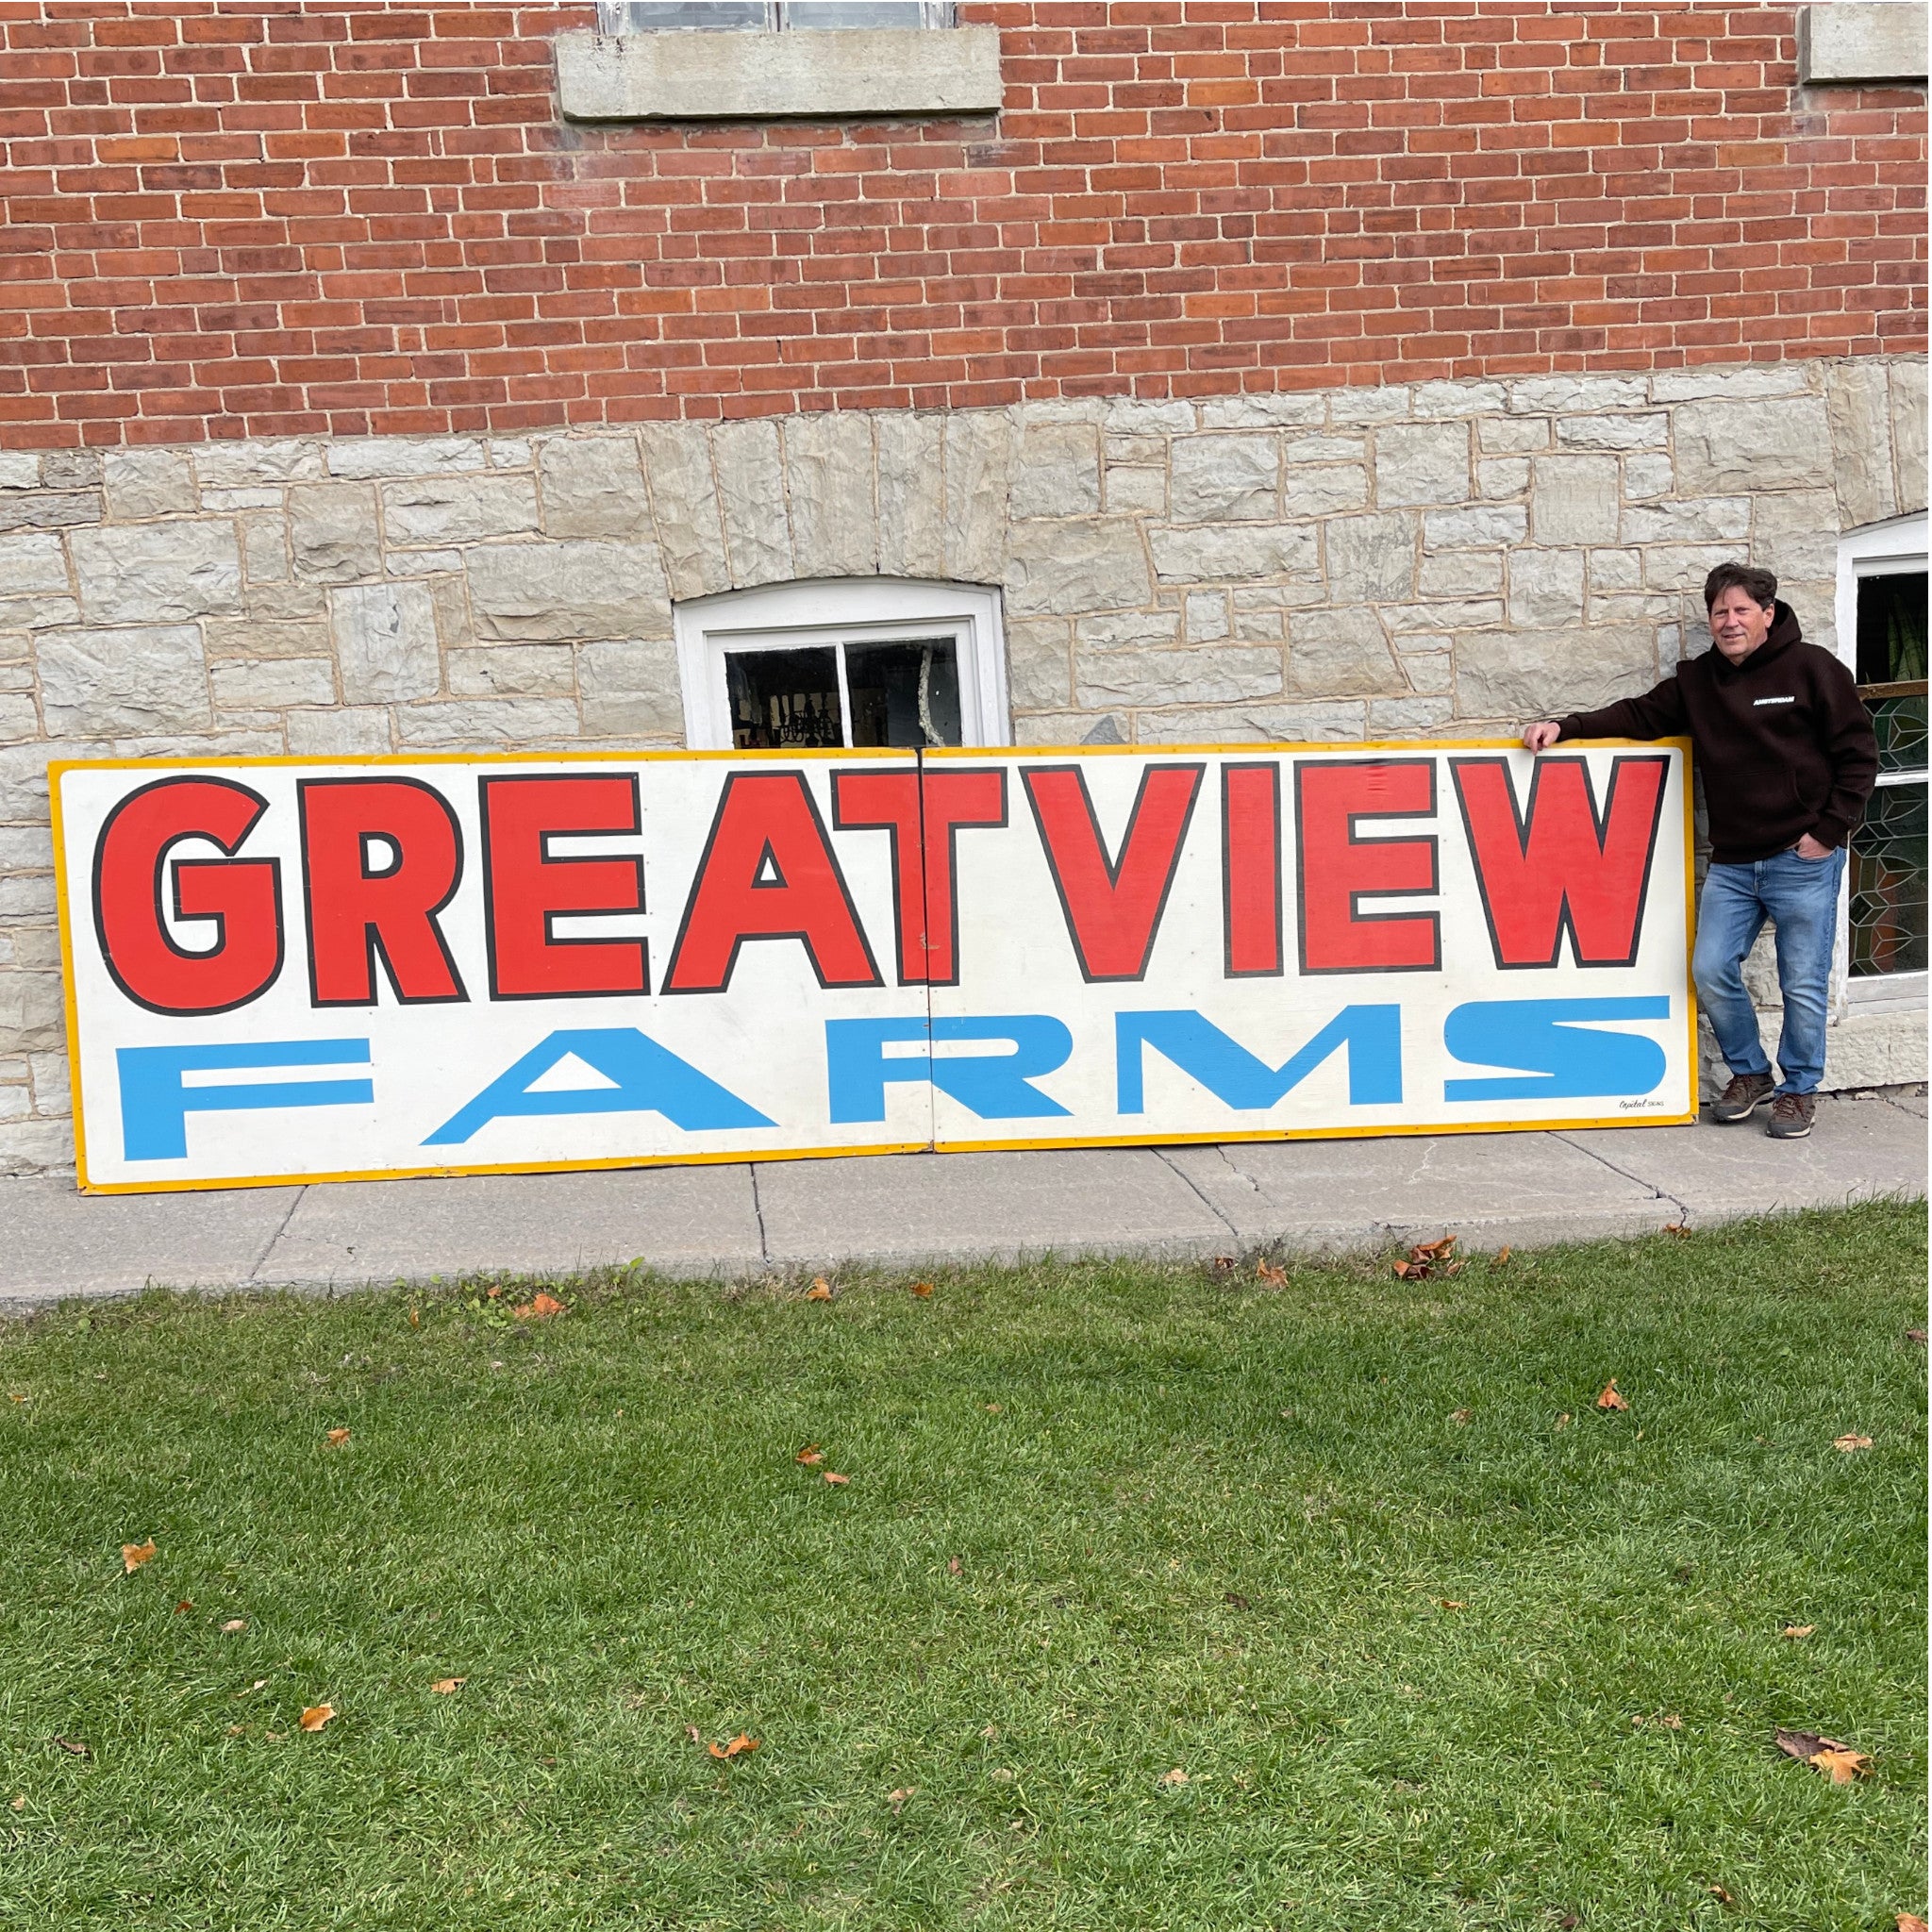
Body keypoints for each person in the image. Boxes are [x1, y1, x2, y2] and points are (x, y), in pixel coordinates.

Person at [1522, 563, 1877, 1140]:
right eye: (1719, 612)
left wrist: (1828, 832)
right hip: (1735, 863)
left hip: (1802, 858)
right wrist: (1567, 726)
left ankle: (1799, 1090)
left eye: (1741, 611)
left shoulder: (1813, 669)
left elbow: (1859, 755)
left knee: (1803, 984)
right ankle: (1750, 1072)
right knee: (1709, 969)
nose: (1729, 622)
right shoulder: (1699, 682)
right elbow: (1637, 715)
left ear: (1767, 613)